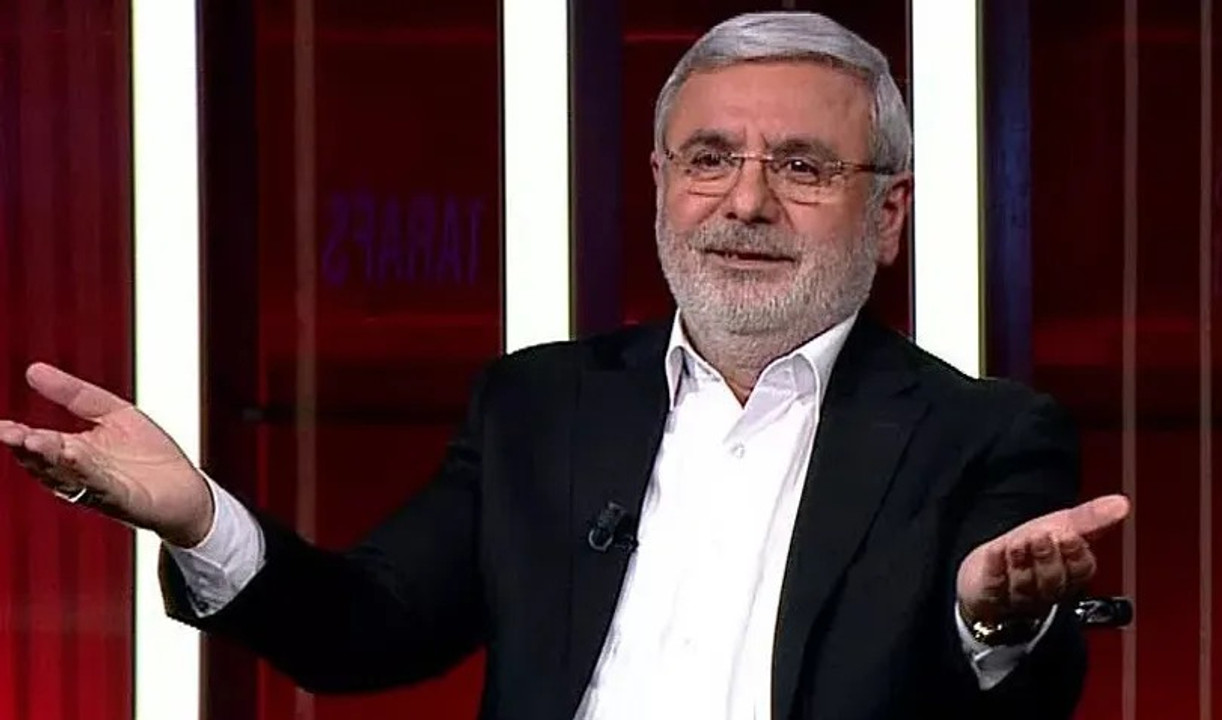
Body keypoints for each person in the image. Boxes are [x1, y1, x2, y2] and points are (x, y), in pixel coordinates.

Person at [0, 11, 1129, 720]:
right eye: (709, 158)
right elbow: (362, 631)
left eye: (801, 167)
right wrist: (201, 519)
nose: (745, 202)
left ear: (887, 216)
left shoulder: (983, 434)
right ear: (659, 184)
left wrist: (991, 625)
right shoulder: (537, 405)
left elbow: (1023, 697)